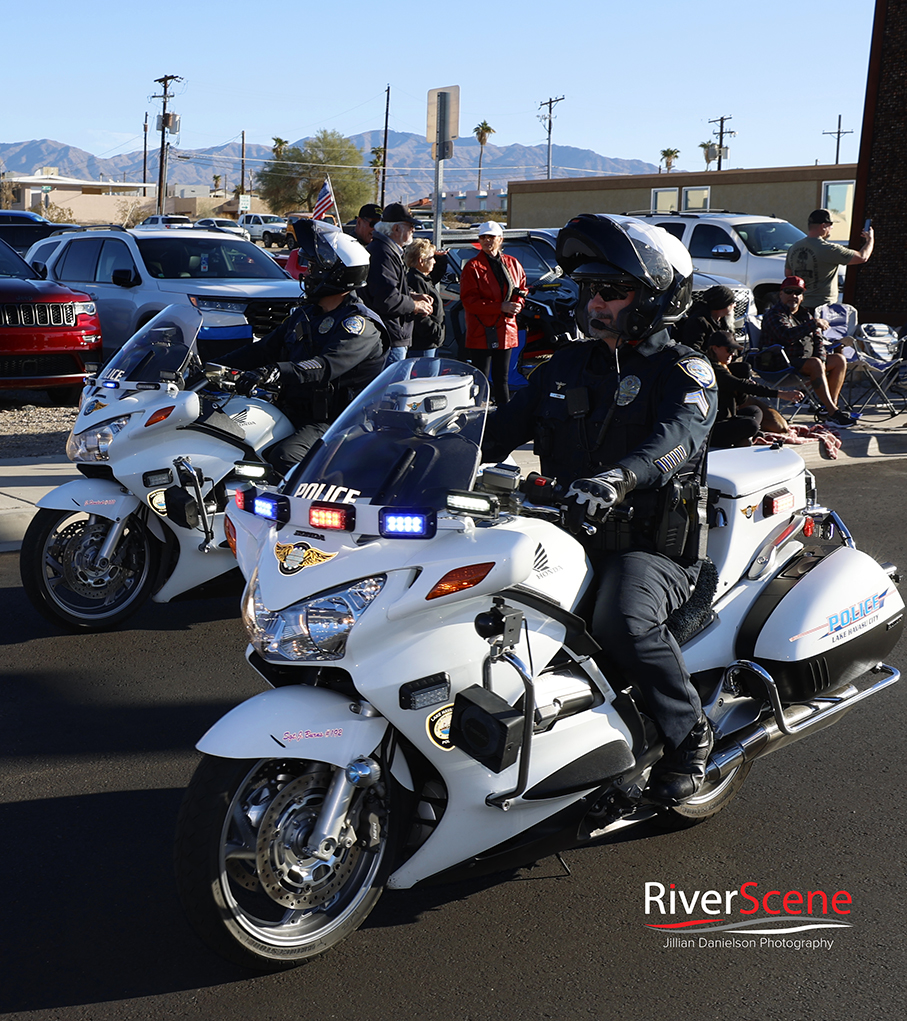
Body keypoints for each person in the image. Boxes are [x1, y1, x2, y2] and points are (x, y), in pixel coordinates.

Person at [482, 213, 718, 805]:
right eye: (588, 289)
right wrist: (419, 443)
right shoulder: (564, 367)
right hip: (561, 536)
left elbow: (677, 438)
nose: (596, 302)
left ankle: (690, 734)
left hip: (647, 549)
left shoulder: (685, 372)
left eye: (612, 291)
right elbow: (495, 430)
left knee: (621, 621)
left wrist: (620, 478)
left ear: (657, 296)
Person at [223, 221, 386, 475]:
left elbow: (325, 366)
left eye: (313, 268)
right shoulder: (306, 315)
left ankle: (301, 512)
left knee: (285, 458)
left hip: (338, 422)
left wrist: (275, 371)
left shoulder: (360, 326)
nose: (306, 275)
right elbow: (262, 349)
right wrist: (212, 367)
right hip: (293, 411)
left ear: (335, 274)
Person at [760, 275, 854, 427]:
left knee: (838, 359)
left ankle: (829, 410)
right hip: (780, 364)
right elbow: (787, 336)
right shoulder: (774, 315)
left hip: (806, 363)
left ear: (802, 297)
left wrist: (822, 361)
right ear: (781, 294)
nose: (793, 296)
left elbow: (819, 342)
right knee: (815, 363)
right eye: (789, 291)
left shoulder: (805, 315)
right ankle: (833, 412)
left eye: (798, 292)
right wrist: (814, 324)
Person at [459, 220, 527, 406]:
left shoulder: (513, 263)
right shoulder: (472, 267)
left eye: (491, 236)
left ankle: (505, 418)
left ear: (500, 239)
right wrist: (500, 307)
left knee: (502, 378)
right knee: (481, 378)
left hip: (505, 328)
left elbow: (521, 289)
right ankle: (478, 416)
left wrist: (518, 304)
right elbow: (469, 301)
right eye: (483, 237)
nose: (487, 240)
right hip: (482, 329)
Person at [362, 201, 433, 364]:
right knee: (392, 388)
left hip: (391, 335)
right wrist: (415, 305)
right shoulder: (382, 253)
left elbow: (392, 289)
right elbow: (386, 299)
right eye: (409, 226)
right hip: (389, 338)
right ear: (396, 229)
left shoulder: (386, 250)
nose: (413, 230)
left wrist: (413, 296)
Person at [706, 332, 803, 447]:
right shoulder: (713, 369)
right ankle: (744, 437)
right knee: (752, 425)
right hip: (713, 427)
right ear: (715, 349)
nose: (732, 354)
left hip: (728, 417)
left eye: (734, 351)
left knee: (755, 411)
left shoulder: (725, 367)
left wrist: (743, 386)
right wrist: (780, 394)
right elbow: (741, 385)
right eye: (729, 350)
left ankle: (745, 437)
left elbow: (741, 399)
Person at [784, 208, 874, 311]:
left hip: (800, 305)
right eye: (831, 225)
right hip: (823, 308)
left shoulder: (793, 248)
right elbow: (863, 257)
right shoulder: (830, 249)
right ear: (823, 226)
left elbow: (788, 274)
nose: (831, 228)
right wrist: (870, 239)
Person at [405, 237, 445, 358]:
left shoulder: (423, 278)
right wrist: (437, 333)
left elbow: (439, 270)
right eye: (432, 258)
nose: (434, 261)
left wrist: (440, 256)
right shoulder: (416, 281)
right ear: (421, 261)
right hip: (423, 345)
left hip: (428, 343)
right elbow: (420, 316)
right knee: (426, 376)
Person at [673, 284, 736, 351]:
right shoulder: (697, 322)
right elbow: (693, 348)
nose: (735, 305)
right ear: (722, 305)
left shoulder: (723, 322)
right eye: (732, 303)